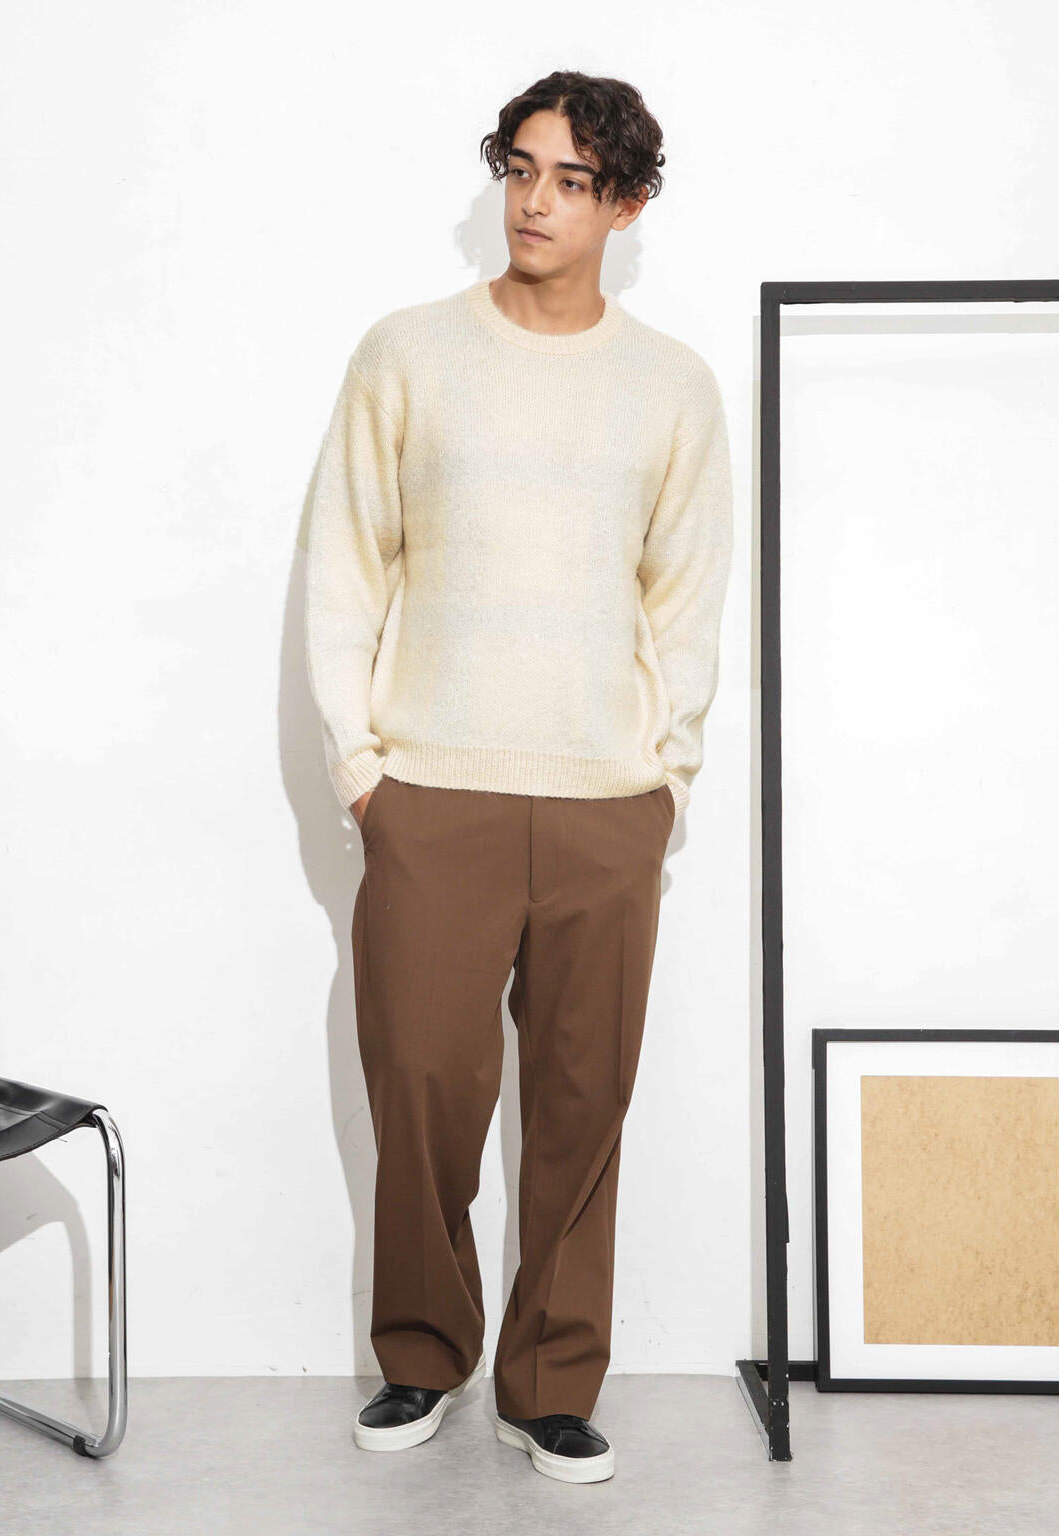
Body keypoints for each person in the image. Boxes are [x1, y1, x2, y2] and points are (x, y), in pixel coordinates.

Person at [301, 69, 733, 1484]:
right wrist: (364, 771)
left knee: (583, 1101)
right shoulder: (408, 355)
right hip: (434, 792)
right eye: (520, 169)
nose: (536, 203)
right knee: (422, 1085)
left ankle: (551, 1383)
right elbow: (347, 566)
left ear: (628, 206)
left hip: (608, 804)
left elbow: (686, 599)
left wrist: (665, 782)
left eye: (572, 181)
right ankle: (423, 1355)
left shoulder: (672, 387)